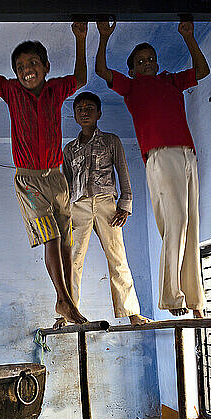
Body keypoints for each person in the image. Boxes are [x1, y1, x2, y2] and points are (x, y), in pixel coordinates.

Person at [0, 21, 88, 326]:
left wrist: (81, 37)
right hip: (29, 180)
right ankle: (62, 299)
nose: (27, 69)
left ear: (46, 66)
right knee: (50, 237)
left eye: (33, 63)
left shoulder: (56, 89)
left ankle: (69, 302)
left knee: (66, 241)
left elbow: (81, 77)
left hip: (57, 178)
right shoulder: (11, 91)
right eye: (21, 65)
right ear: (15, 73)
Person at [95, 20, 210, 318]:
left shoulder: (171, 81)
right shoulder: (132, 87)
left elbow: (202, 71)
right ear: (132, 69)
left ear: (157, 63)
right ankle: (172, 297)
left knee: (191, 225)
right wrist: (104, 36)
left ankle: (194, 300)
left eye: (151, 59)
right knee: (176, 224)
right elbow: (102, 72)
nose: (147, 63)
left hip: (187, 154)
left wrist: (188, 37)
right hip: (160, 158)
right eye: (141, 61)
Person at [62, 91, 150, 327]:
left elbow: (123, 171)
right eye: (79, 108)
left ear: (99, 113)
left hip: (106, 204)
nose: (84, 111)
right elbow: (67, 182)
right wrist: (64, 212)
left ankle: (131, 312)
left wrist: (125, 204)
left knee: (117, 256)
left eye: (89, 107)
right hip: (77, 205)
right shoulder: (70, 149)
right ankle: (68, 313)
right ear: (75, 116)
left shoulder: (111, 140)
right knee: (73, 260)